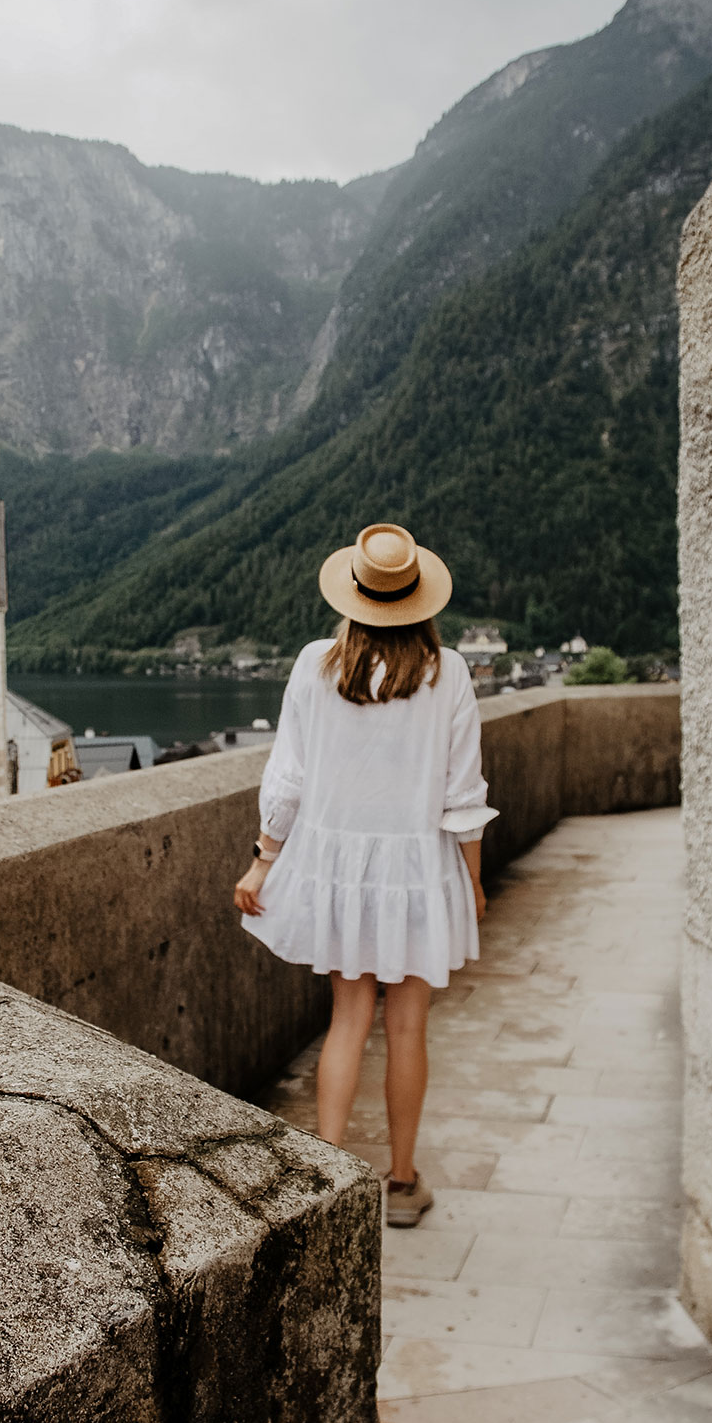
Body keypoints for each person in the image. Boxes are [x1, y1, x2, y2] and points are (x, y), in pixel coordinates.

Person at [234, 523, 496, 1227]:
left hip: (337, 870)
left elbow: (285, 781)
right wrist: (470, 882)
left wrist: (263, 861)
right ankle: (402, 1184)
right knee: (407, 1029)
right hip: (418, 870)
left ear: (353, 595)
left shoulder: (315, 664)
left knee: (346, 1019)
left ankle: (327, 1181)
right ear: (419, 600)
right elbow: (461, 797)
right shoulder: (449, 674)